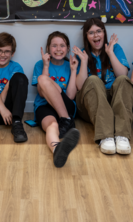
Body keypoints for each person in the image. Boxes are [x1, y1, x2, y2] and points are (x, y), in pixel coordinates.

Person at [73, 17, 133, 155]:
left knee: (124, 80)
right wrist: (84, 61)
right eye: (91, 32)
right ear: (86, 37)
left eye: (99, 31)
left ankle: (122, 136)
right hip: (91, 106)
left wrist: (110, 53)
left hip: (113, 103)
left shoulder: (115, 49)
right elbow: (80, 87)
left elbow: (122, 74)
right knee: (93, 79)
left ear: (104, 33)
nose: (96, 35)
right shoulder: (81, 54)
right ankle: (105, 136)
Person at [32, 31, 80, 168]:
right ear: (48, 49)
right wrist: (46, 66)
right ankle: (57, 149)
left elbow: (71, 96)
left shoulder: (71, 65)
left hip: (66, 106)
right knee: (51, 126)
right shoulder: (39, 65)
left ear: (68, 48)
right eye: (54, 46)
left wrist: (73, 70)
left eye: (62, 46)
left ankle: (66, 119)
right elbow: (41, 94)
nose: (58, 49)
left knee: (42, 79)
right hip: (44, 105)